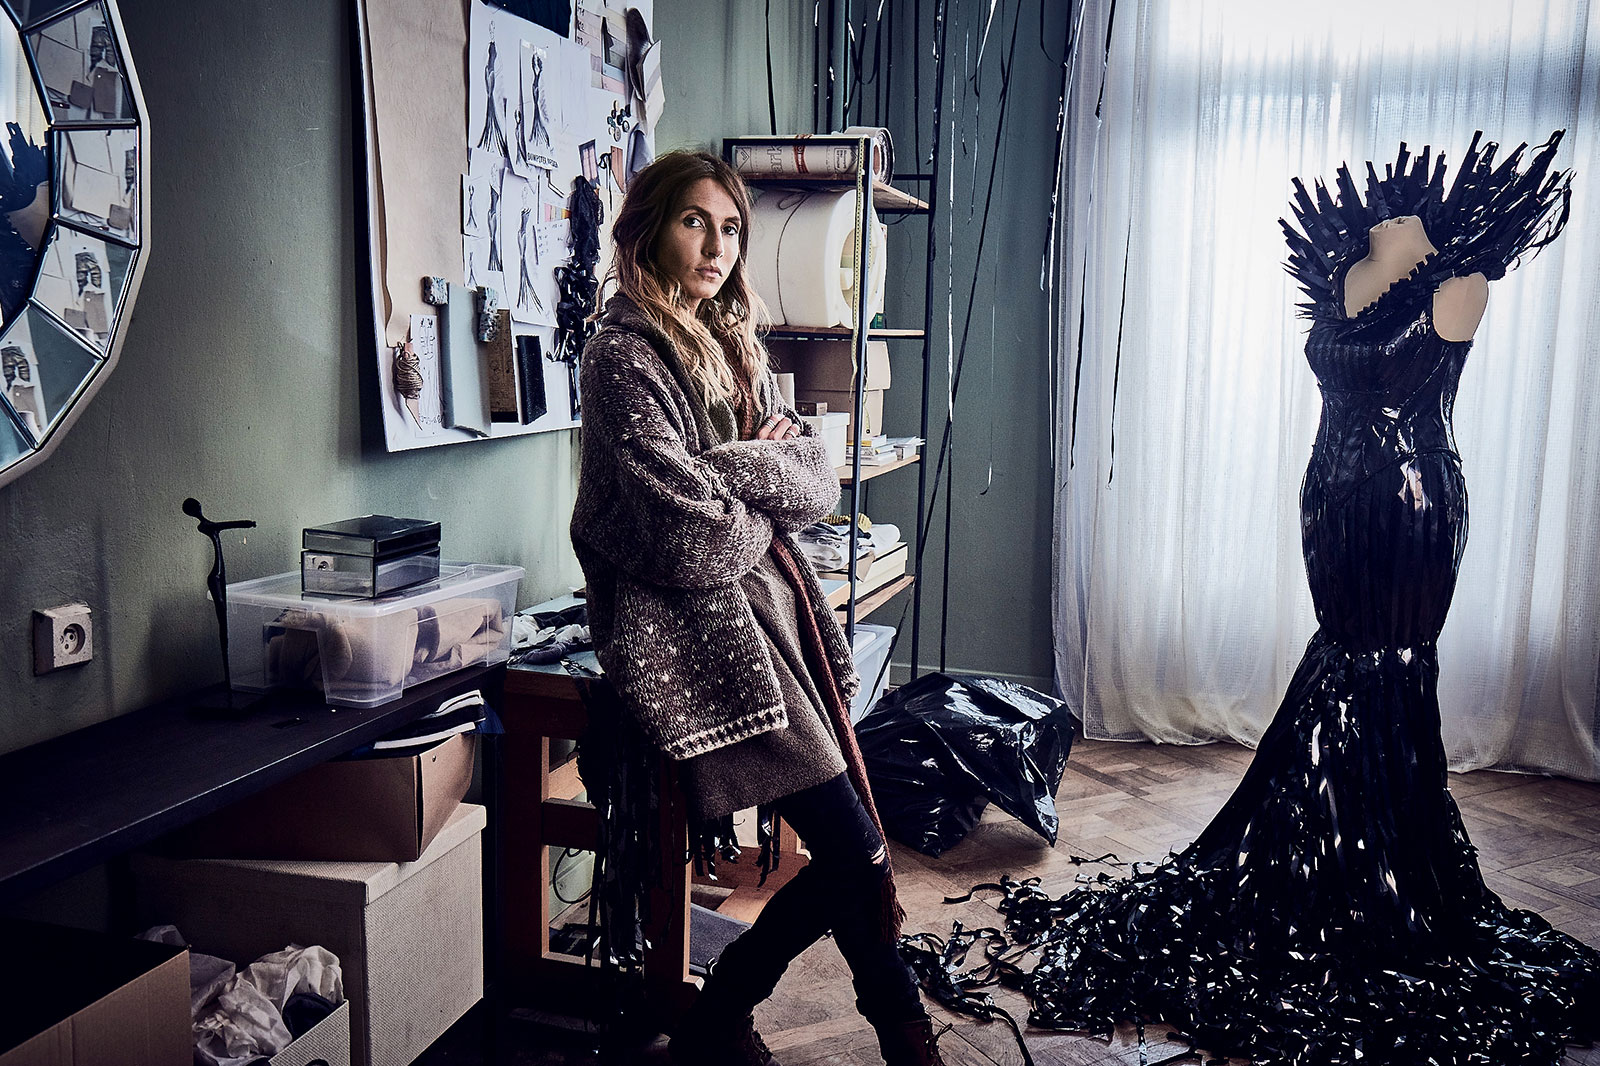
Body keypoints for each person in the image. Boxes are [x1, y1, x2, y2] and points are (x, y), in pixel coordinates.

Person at [1013, 133, 1599, 1066]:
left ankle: (1387, 857)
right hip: (1329, 494)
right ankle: (1327, 847)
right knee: (1339, 655)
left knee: (1384, 663)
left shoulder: (1460, 281)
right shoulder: (1347, 270)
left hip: (1410, 502)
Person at [569, 149, 945, 1066]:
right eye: (694, 221)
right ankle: (882, 1038)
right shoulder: (620, 356)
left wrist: (731, 478)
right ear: (649, 230)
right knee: (857, 855)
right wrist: (760, 485)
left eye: (731, 227)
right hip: (688, 641)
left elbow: (813, 478)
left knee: (854, 856)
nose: (717, 246)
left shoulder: (731, 341)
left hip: (768, 621)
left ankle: (718, 1025)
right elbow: (686, 536)